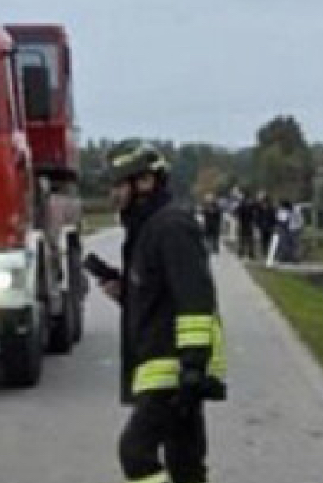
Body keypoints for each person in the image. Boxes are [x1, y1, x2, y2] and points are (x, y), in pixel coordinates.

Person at [100, 143, 226, 483]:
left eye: (118, 185)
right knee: (185, 463)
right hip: (169, 365)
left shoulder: (171, 227)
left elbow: (194, 298)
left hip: (174, 367)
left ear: (144, 182)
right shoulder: (147, 228)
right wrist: (126, 292)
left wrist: (193, 367)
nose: (113, 195)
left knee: (135, 452)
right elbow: (160, 297)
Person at [234, 193, 259, 260]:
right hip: (244, 223)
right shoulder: (244, 205)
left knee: (247, 239)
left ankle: (247, 253)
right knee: (245, 239)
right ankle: (245, 252)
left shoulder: (248, 205)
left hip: (246, 223)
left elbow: (237, 212)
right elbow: (237, 212)